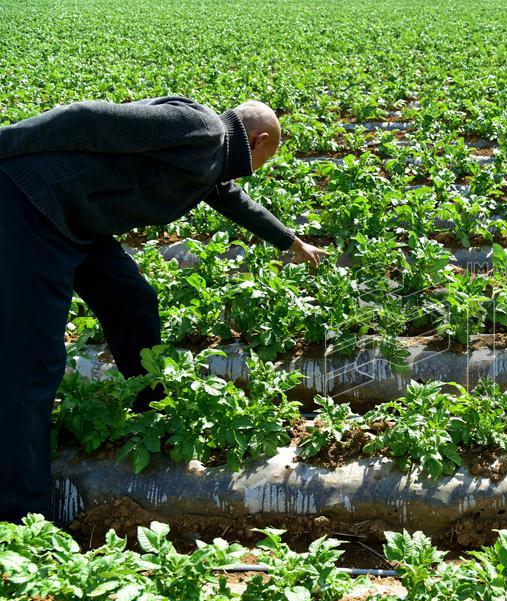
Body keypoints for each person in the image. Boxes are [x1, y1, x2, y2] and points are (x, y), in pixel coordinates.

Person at [0, 96, 329, 523]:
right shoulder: (200, 130)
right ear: (258, 140)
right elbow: (86, 117)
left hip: (78, 218)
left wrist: (291, 241)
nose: (265, 165)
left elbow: (233, 200)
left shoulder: (212, 160)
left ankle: (151, 411)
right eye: (270, 155)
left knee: (133, 301)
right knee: (32, 364)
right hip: (31, 208)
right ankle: (19, 513)